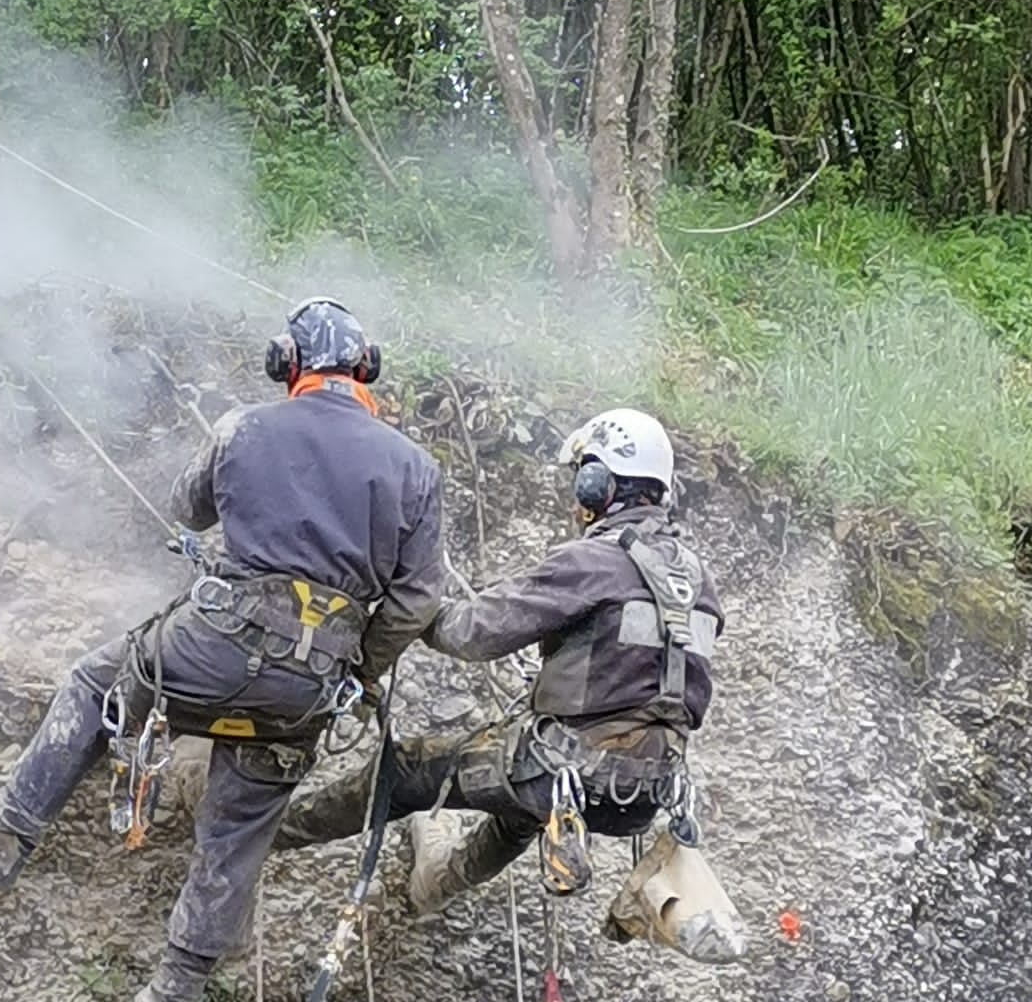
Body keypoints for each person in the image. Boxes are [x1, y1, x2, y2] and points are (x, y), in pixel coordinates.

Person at [0, 299, 445, 1002]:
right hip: (307, 686)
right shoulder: (415, 468)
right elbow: (416, 600)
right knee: (239, 828)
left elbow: (186, 507)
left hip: (206, 648)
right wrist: (355, 670)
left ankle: (2, 845)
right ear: (365, 368)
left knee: (94, 685)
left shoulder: (246, 428)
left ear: (285, 364)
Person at [276, 407, 740, 958]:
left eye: (583, 481)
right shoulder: (697, 578)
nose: (577, 498)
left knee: (403, 771)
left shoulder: (594, 561)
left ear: (601, 484)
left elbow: (472, 633)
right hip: (643, 798)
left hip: (560, 776)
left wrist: (417, 605)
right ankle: (436, 885)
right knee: (516, 811)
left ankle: (272, 834)